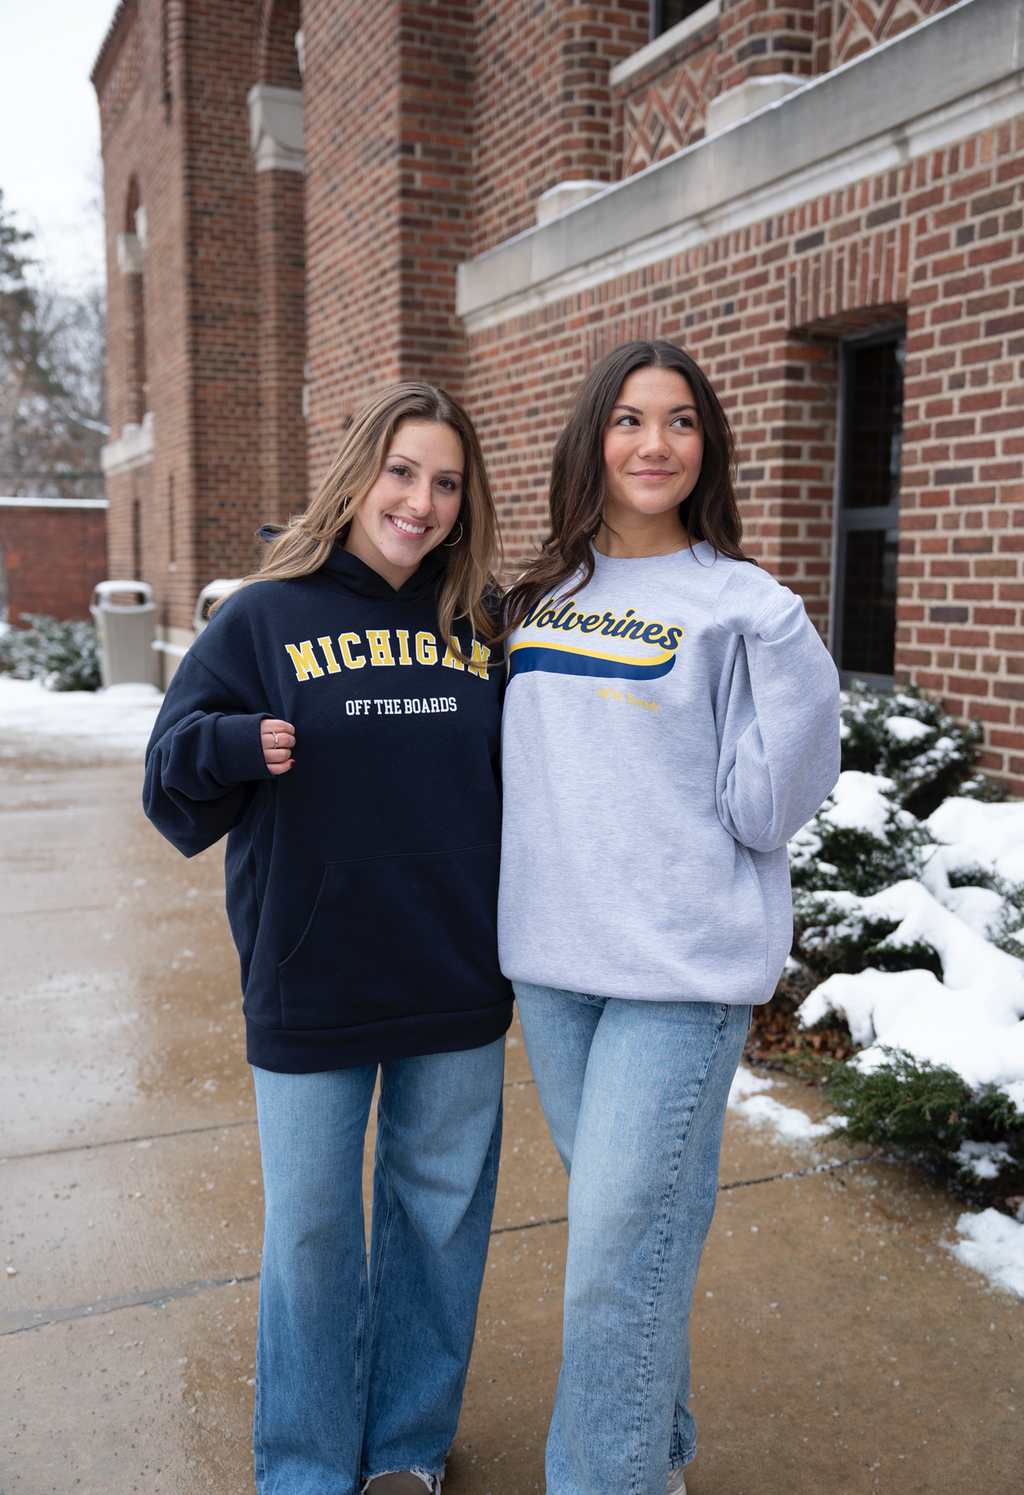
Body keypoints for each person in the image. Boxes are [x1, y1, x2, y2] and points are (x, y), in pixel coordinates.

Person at [143, 383, 513, 1495]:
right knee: (310, 1233)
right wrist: (231, 745)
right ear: (358, 475)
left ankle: (404, 1448)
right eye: (402, 472)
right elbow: (167, 781)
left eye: (446, 482)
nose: (421, 502)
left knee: (437, 1224)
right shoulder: (263, 616)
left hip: (455, 972)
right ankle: (305, 1465)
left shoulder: (484, 622)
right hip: (312, 975)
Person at [497, 340, 840, 1495]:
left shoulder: (743, 605)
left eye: (681, 420)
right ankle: (659, 1447)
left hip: (681, 977)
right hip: (552, 967)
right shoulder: (536, 599)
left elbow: (763, 809)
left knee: (610, 1251)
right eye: (631, 419)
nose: (656, 443)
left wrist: (790, 652)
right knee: (637, 1242)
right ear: (592, 438)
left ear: (708, 446)